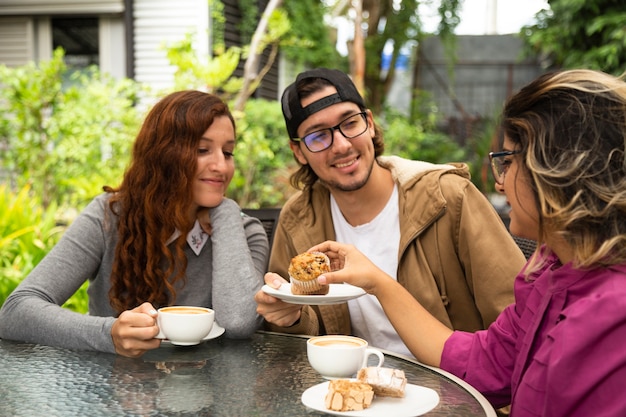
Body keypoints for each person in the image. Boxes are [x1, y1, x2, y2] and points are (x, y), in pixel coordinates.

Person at [309, 69, 626, 416]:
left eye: (506, 162)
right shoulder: (550, 272)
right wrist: (377, 282)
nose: (500, 184)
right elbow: (483, 363)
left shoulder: (611, 318)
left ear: (554, 170)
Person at [254, 68, 526, 357]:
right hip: (347, 389)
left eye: (349, 123)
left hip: (452, 386)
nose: (342, 145)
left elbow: (517, 314)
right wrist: (290, 317)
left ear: (369, 123)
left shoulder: (448, 198)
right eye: (318, 137)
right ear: (298, 152)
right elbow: (294, 343)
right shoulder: (298, 218)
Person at [0, 90, 268, 358]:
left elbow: (239, 322)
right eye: (202, 150)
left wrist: (226, 211)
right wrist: (109, 333)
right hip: (113, 390)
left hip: (206, 389)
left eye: (228, 152)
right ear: (164, 154)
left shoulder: (246, 233)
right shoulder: (110, 216)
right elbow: (16, 312)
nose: (221, 166)